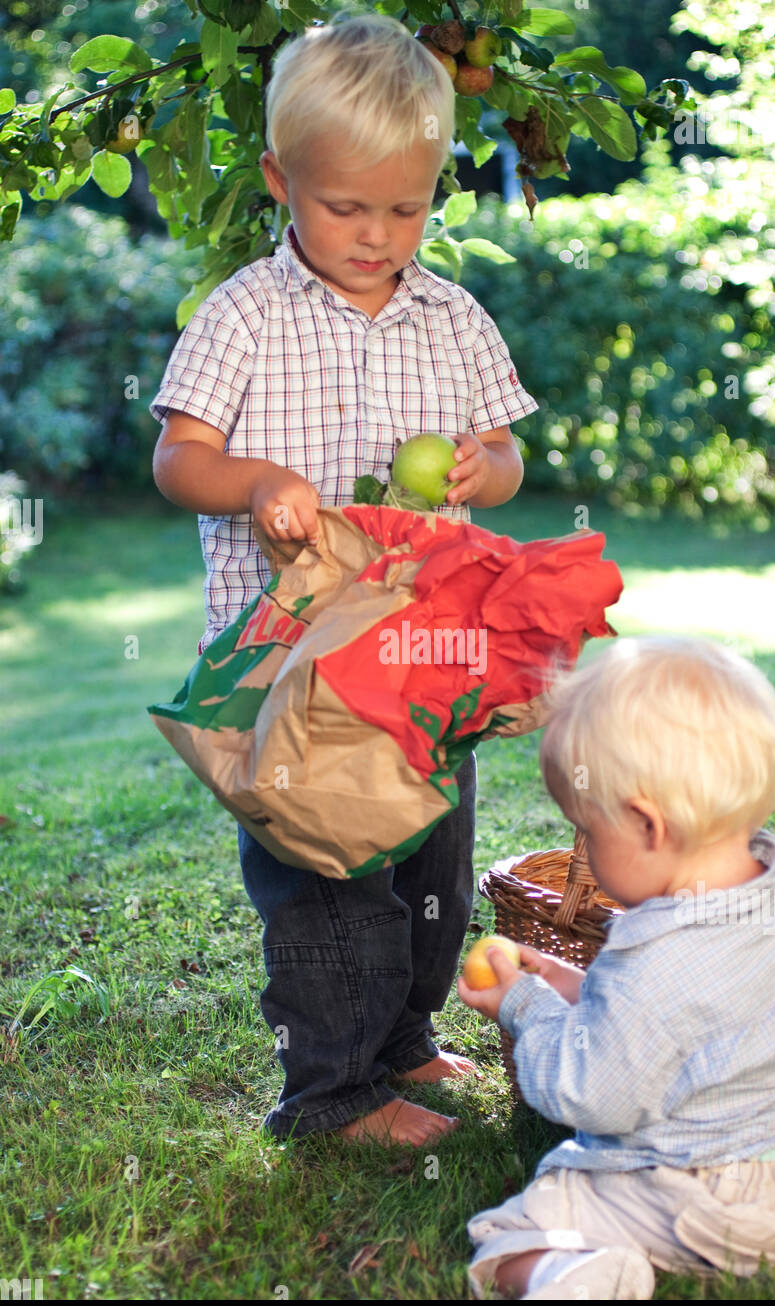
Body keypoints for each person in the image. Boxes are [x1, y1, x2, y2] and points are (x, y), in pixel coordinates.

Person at [149, 14, 538, 1147]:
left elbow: (506, 458)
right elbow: (177, 460)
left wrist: (486, 466)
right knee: (325, 882)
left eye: (404, 209)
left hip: (423, 659)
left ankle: (404, 1035)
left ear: (435, 190)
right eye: (343, 207)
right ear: (280, 181)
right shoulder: (243, 316)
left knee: (431, 861)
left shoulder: (452, 319)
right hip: (295, 676)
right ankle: (330, 1090)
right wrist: (257, 479)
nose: (375, 236)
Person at [458, 635, 775, 1299]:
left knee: (532, 1211)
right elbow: (686, 1017)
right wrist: (566, 985)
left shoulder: (651, 960)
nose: (584, 847)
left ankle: (576, 1271)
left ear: (648, 826)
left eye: (589, 830)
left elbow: (594, 1093)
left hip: (713, 1205)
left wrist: (522, 1006)